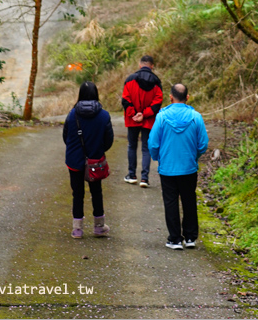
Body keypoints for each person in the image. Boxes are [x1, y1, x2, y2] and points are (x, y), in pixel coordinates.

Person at [148, 82, 208, 250]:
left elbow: (153, 143)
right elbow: (203, 144)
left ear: (170, 97)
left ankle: (174, 239)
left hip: (167, 167)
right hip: (189, 167)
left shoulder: (161, 117)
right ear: (187, 97)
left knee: (171, 201)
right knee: (189, 200)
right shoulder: (196, 117)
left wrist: (158, 157)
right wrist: (193, 157)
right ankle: (190, 237)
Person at [62, 81, 114, 239]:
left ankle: (77, 229)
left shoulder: (72, 114)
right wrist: (97, 151)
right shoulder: (104, 115)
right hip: (95, 160)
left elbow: (66, 136)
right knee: (96, 192)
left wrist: (75, 151)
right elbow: (109, 139)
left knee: (77, 193)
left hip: (74, 161)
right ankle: (99, 227)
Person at [121, 54, 163, 187]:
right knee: (146, 148)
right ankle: (144, 178)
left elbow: (125, 100)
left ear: (140, 65)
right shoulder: (156, 82)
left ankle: (132, 175)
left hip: (132, 119)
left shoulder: (130, 79)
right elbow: (157, 103)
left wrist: (134, 114)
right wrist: (144, 115)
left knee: (132, 145)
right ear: (152, 66)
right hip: (148, 120)